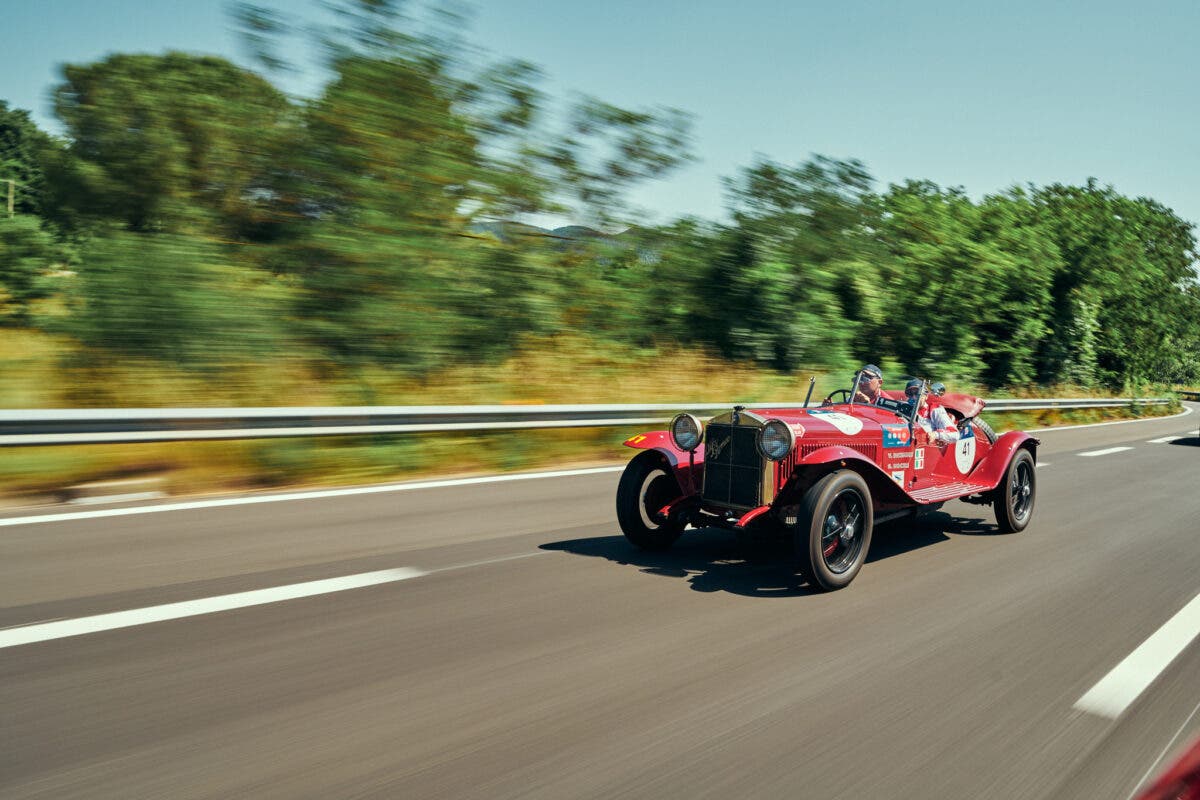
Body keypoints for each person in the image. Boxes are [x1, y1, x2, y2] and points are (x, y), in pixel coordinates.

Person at [906, 378, 959, 445]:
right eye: (910, 394)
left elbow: (955, 434)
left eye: (917, 393)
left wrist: (936, 434)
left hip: (929, 448)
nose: (913, 397)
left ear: (926, 396)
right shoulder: (904, 409)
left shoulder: (934, 410)